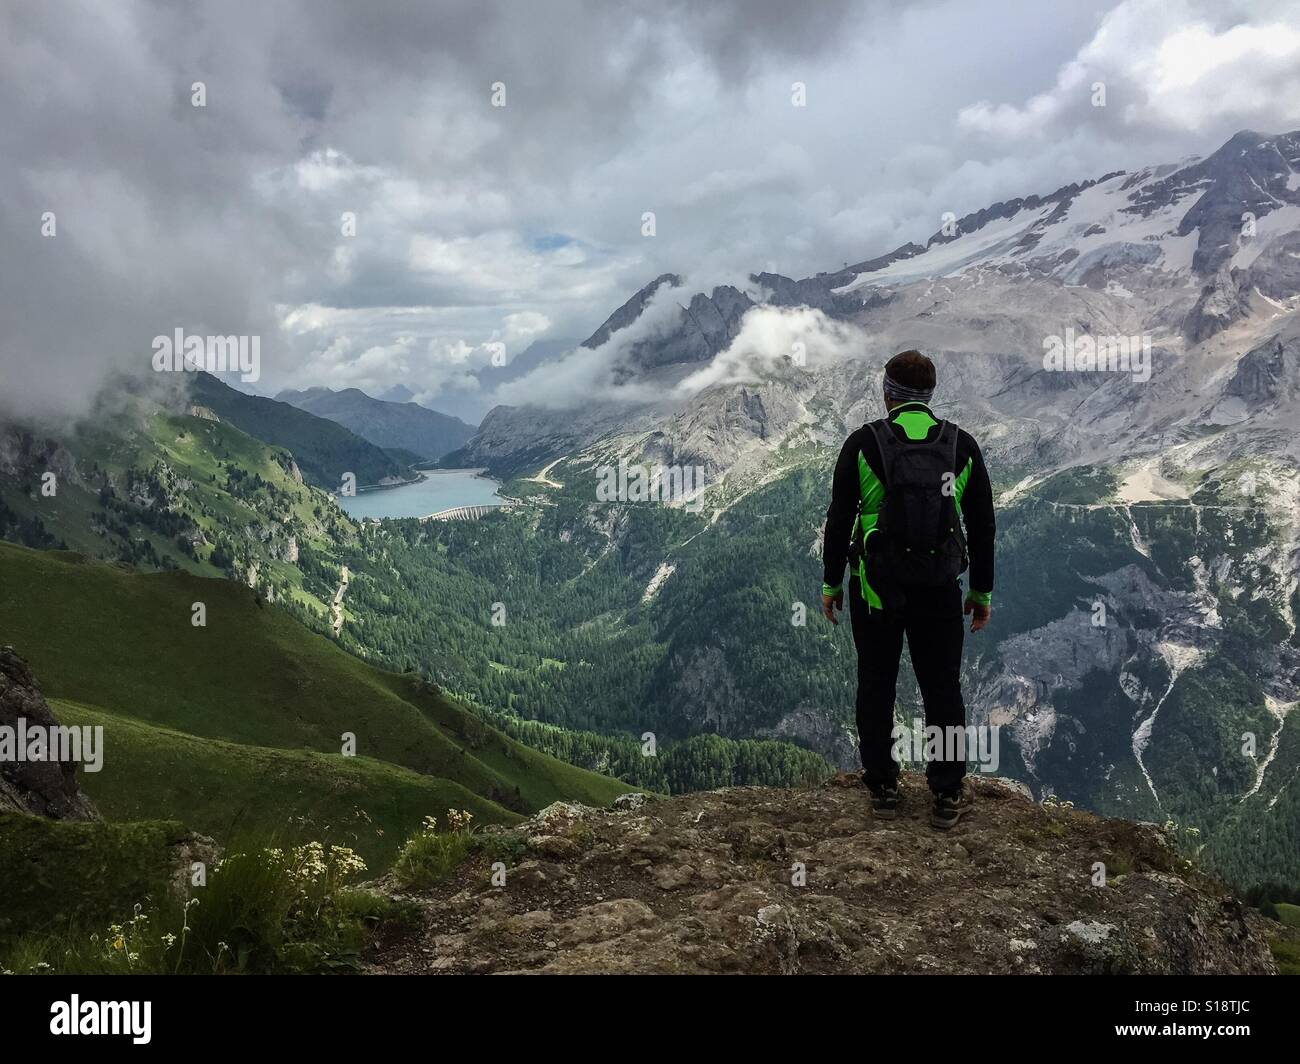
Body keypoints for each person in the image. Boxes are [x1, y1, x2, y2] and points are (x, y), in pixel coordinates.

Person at [821, 350, 995, 829]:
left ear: (887, 392)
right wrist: (980, 594)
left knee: (876, 683)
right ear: (930, 394)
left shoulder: (863, 443)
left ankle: (882, 787)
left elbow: (839, 521)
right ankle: (947, 793)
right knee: (942, 687)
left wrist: (831, 583)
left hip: (877, 590)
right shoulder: (961, 445)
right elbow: (982, 527)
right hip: (939, 589)